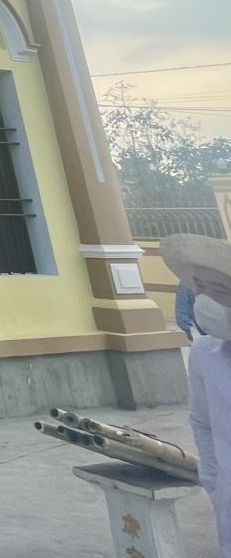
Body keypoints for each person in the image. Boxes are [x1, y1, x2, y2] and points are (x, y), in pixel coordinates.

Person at [162, 233, 231, 556]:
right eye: (200, 288)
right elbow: (201, 421)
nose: (206, 299)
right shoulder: (204, 354)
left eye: (219, 289)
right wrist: (213, 480)